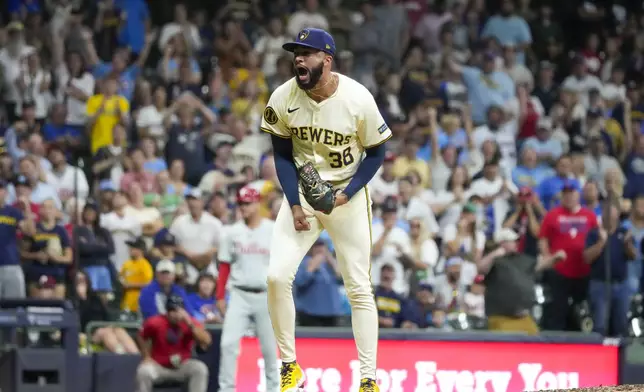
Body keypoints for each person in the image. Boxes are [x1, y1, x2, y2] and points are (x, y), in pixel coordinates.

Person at [262, 28, 390, 392]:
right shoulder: (282, 97)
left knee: (358, 287)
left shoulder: (357, 98)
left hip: (346, 194)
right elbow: (282, 155)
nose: (299, 58)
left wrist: (348, 194)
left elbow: (377, 152)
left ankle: (368, 379)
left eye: (307, 52)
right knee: (275, 277)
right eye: (295, 52)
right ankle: (290, 367)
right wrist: (293, 204)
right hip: (303, 193)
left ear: (327, 60)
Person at [216, 186, 278, 392]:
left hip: (266, 295)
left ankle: (273, 389)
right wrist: (219, 296)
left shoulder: (272, 229)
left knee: (270, 350)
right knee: (228, 344)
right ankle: (226, 389)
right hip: (239, 293)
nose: (243, 207)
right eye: (241, 203)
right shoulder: (232, 232)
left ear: (257, 203)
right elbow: (224, 265)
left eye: (247, 203)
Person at [478, 228, 564, 334]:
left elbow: (540, 265)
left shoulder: (522, 259)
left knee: (536, 341)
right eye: (512, 241)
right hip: (500, 317)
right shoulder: (494, 261)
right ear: (502, 243)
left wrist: (555, 258)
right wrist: (495, 254)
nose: (516, 243)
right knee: (505, 345)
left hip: (523, 317)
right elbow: (480, 269)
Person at [539, 180, 598, 331]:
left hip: (583, 270)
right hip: (559, 270)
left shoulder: (589, 216)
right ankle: (556, 343)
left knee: (581, 310)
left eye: (571, 193)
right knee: (558, 309)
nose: (568, 197)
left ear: (578, 194)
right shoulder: (553, 215)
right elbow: (543, 239)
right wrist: (548, 259)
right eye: (565, 194)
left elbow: (596, 239)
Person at [136, 295, 211, 392]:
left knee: (200, 368)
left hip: (182, 366)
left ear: (183, 311)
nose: (175, 314)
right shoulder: (155, 322)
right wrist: (146, 356)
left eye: (178, 310)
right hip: (159, 366)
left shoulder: (190, 322)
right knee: (143, 371)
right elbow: (141, 336)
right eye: (172, 311)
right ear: (167, 312)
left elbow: (207, 340)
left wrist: (190, 324)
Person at [584, 203, 636, 337]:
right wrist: (601, 242)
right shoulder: (594, 233)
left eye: (613, 211)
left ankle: (620, 356)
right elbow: (587, 258)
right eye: (607, 211)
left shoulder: (624, 233)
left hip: (621, 284)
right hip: (600, 284)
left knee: (621, 325)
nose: (610, 215)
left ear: (618, 214)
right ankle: (598, 355)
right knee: (600, 325)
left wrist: (627, 244)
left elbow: (633, 256)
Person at [0, 179, 36, 298]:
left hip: (11, 264)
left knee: (15, 308)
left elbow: (30, 232)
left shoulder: (13, 212)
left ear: (5, 192)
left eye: (0, 189)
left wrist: (26, 208)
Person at [119, 237, 154, 313]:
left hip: (138, 302)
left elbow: (148, 283)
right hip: (126, 301)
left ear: (140, 250)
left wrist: (131, 285)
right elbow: (120, 278)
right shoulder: (127, 263)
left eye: (133, 247)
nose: (130, 249)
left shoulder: (145, 265)